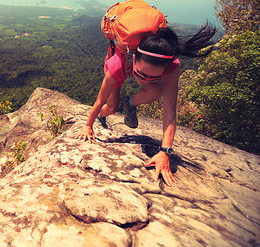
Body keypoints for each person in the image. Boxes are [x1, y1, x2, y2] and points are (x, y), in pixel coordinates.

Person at [76, 23, 216, 187]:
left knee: (157, 89)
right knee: (111, 107)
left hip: (133, 68)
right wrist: (88, 125)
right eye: (142, 74)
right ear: (134, 57)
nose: (145, 80)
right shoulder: (117, 66)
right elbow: (100, 100)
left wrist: (165, 152)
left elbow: (170, 111)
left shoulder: (172, 67)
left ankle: (129, 104)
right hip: (123, 68)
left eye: (153, 76)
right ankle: (102, 117)